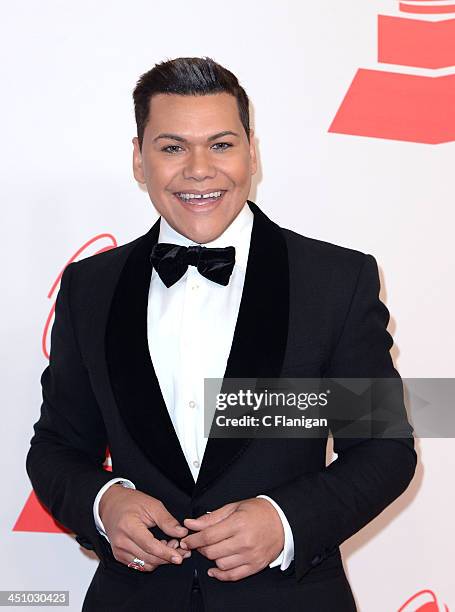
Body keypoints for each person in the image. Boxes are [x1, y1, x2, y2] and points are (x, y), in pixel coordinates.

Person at [26, 56, 417, 612]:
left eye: (221, 144)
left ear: (252, 152)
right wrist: (104, 504)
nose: (199, 169)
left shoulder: (334, 282)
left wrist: (285, 522)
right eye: (171, 147)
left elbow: (383, 449)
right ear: (139, 160)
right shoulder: (91, 287)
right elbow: (58, 448)